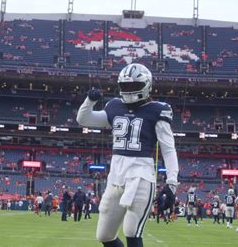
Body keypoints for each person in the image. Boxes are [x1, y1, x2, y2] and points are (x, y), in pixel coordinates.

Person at [76, 63, 179, 247]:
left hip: (141, 177)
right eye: (125, 86)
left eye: (134, 86)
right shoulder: (115, 106)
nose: (129, 90)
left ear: (146, 85)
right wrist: (89, 101)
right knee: (104, 235)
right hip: (116, 178)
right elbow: (84, 119)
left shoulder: (157, 110)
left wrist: (171, 183)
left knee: (132, 232)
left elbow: (168, 149)